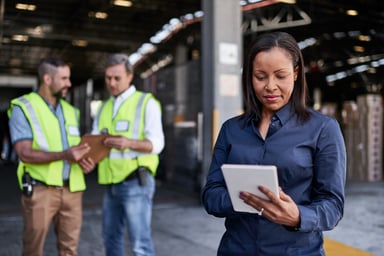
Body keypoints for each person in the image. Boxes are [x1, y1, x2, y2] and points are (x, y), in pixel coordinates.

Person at [202, 31, 346, 256]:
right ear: (249, 76)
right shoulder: (231, 130)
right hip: (237, 250)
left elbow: (333, 205)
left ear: (296, 73)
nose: (270, 86)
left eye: (280, 76)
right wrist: (246, 198)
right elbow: (211, 195)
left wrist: (297, 216)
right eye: (260, 76)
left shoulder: (323, 129)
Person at [8, 57, 95, 256]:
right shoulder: (23, 108)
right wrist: (65, 154)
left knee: (70, 250)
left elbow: (74, 150)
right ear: (47, 79)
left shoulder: (71, 111)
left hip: (72, 190)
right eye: (64, 79)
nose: (69, 84)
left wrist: (84, 162)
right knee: (33, 250)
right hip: (41, 190)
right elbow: (24, 153)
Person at [91, 53, 165, 256]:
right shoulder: (104, 107)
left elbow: (157, 144)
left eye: (117, 78)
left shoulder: (146, 103)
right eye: (108, 78)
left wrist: (128, 143)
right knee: (110, 238)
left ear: (130, 77)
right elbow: (96, 142)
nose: (111, 83)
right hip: (111, 183)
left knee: (140, 244)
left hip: (136, 182)